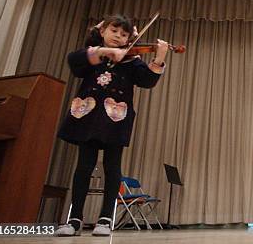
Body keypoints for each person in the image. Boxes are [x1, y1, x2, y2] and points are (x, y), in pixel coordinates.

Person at [55, 14, 168, 237]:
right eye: (114, 31)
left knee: (112, 167)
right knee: (84, 167)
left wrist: (160, 57)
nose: (118, 36)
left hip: (116, 117)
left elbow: (147, 81)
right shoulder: (92, 55)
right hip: (88, 115)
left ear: (130, 38)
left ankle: (106, 219)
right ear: (103, 31)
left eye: (124, 34)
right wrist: (104, 51)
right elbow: (74, 62)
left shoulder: (131, 61)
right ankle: (74, 219)